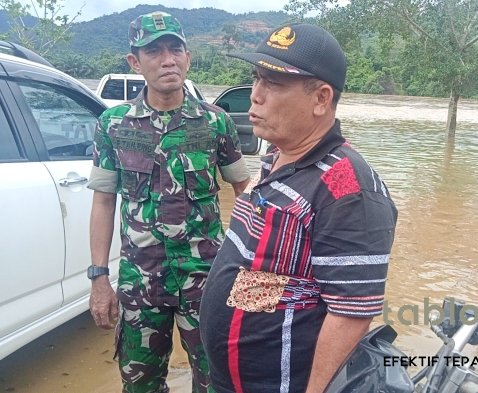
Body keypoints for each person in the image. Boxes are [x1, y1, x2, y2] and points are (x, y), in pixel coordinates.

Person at [199, 23, 398, 393]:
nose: (255, 96)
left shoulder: (348, 189)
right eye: (256, 79)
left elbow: (349, 315)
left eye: (273, 84)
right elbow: (281, 283)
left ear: (321, 99)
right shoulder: (278, 154)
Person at [87, 11, 250, 393]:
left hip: (207, 281)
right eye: (154, 50)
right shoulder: (113, 125)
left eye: (175, 49)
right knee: (139, 385)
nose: (167, 59)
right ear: (135, 62)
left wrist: (250, 268)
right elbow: (103, 203)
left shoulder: (216, 123)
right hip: (141, 284)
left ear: (188, 57)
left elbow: (244, 191)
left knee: (216, 382)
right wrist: (99, 279)